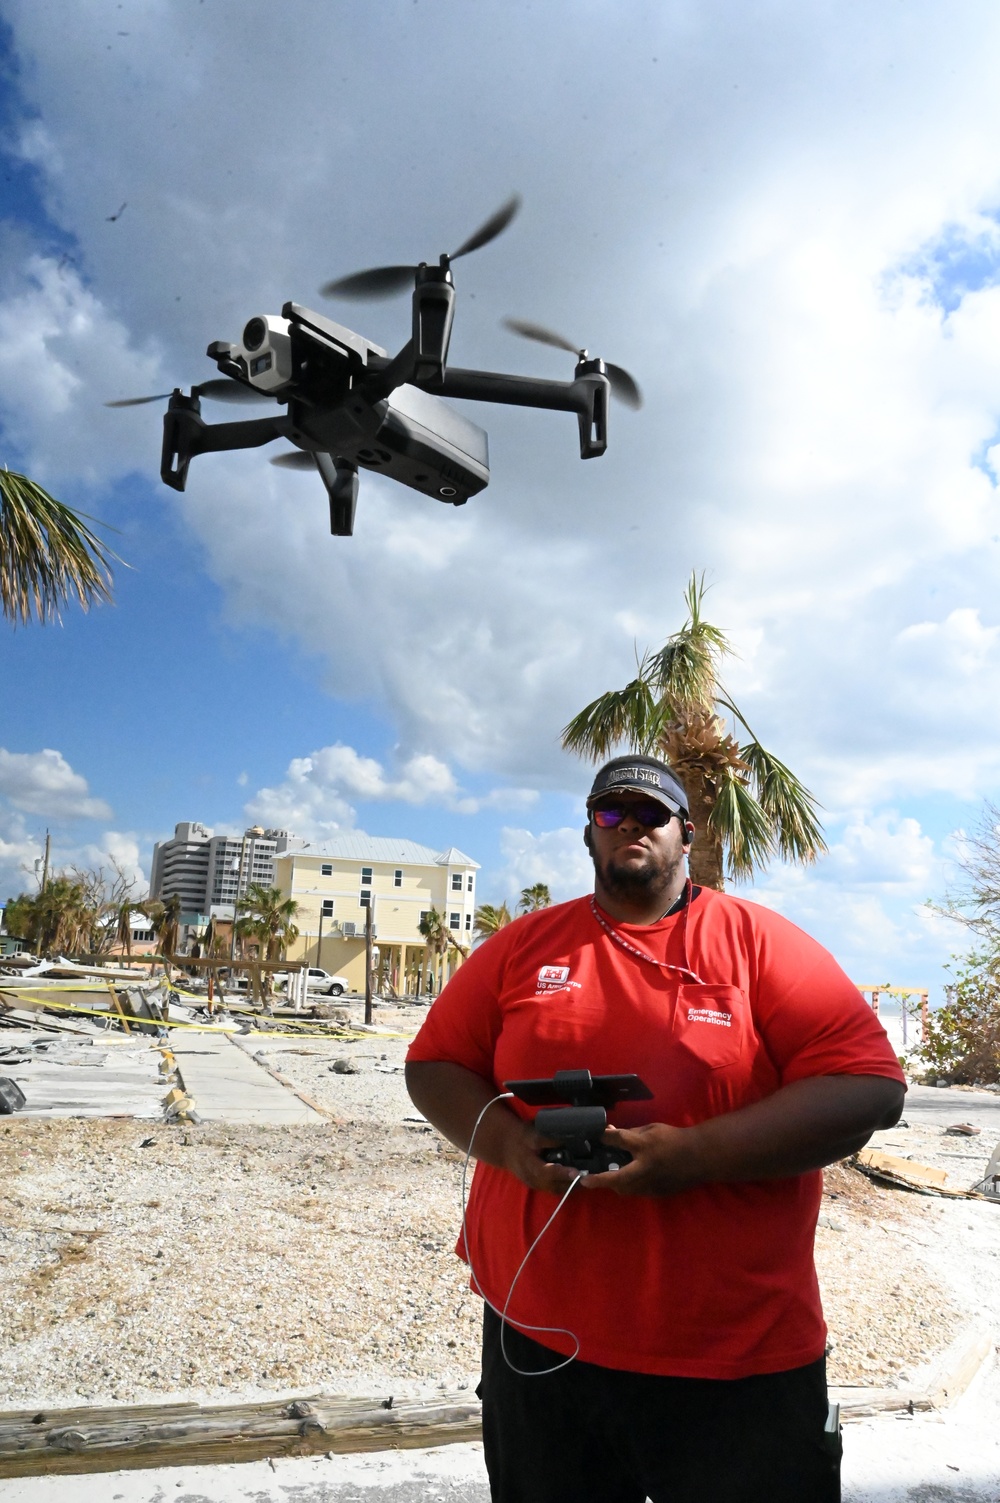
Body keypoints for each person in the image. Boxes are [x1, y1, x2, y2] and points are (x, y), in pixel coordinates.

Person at [405, 754, 905, 1503]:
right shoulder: (522, 946)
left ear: (686, 835)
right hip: (537, 1338)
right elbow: (435, 1064)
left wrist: (697, 1155)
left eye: (651, 813)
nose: (630, 825)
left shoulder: (759, 944)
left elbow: (871, 1088)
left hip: (734, 1353)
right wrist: (509, 1144)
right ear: (588, 834)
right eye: (612, 813)